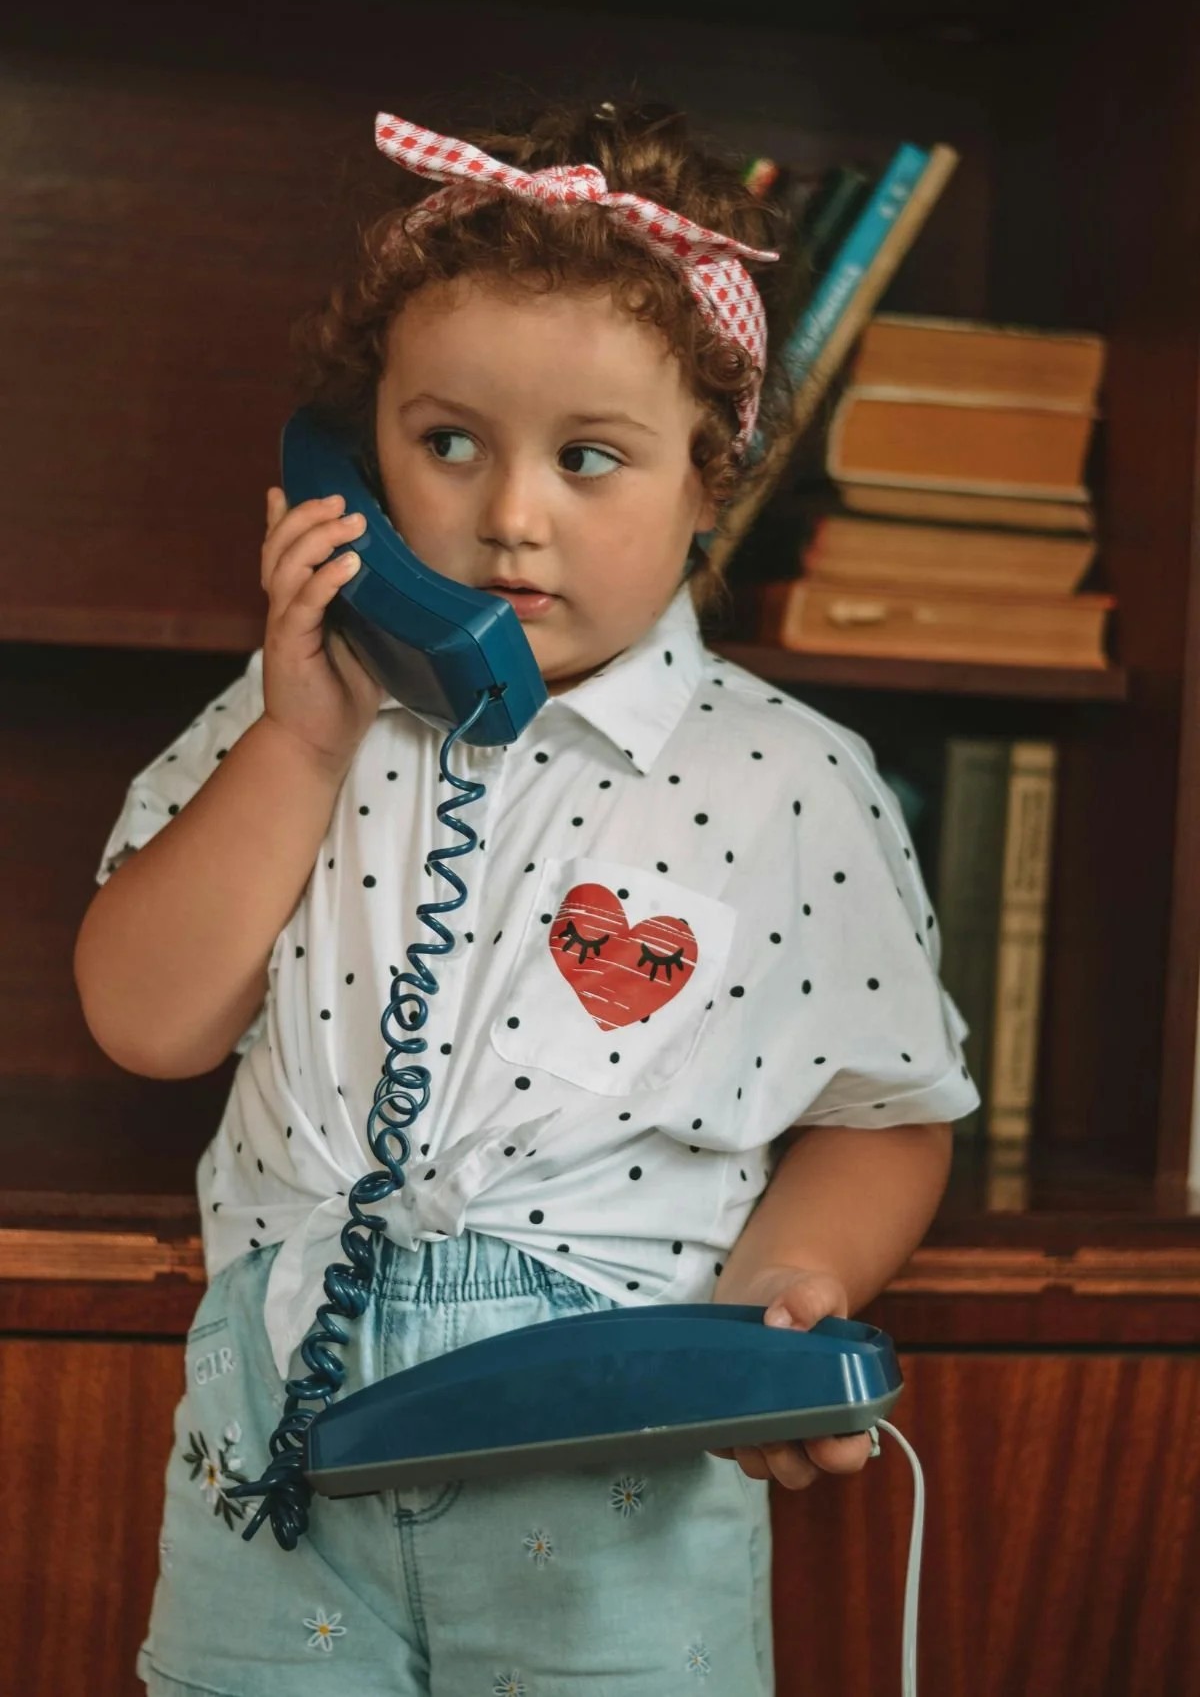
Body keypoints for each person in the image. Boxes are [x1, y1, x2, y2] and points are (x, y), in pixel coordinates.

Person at [75, 100, 979, 1697]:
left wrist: (792, 1279)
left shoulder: (792, 784)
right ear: (354, 469)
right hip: (275, 1432)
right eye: (448, 444)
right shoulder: (290, 712)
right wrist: (297, 745)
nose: (510, 514)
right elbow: (145, 1023)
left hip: (606, 1453)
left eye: (587, 458)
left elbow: (886, 1108)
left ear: (715, 477)